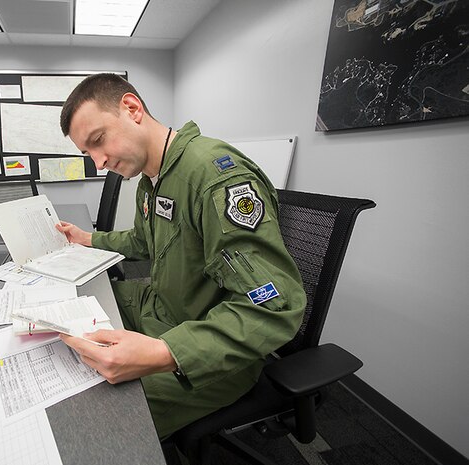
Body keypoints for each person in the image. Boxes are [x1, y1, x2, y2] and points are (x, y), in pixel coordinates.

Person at [56, 73, 306, 439]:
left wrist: (164, 353)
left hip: (206, 346)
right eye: (88, 152)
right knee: (73, 311)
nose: (98, 162)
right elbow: (144, 242)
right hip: (161, 308)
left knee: (92, 417)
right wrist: (89, 238)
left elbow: (272, 307)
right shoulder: (150, 180)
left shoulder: (214, 176)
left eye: (98, 141)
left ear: (132, 108)